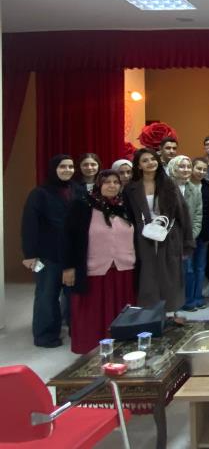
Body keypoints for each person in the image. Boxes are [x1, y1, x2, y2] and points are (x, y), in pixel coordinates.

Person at [62, 170, 135, 354]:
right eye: (107, 182)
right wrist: (68, 267)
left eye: (116, 182)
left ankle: (120, 348)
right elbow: (69, 238)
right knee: (93, 313)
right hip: (94, 270)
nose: (112, 185)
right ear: (98, 185)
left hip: (123, 268)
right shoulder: (83, 205)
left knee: (122, 312)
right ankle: (92, 351)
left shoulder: (125, 206)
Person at [124, 148, 194, 314]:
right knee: (147, 276)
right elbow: (129, 216)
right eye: (145, 160)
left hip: (169, 235)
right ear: (138, 166)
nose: (150, 163)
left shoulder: (169, 184)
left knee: (170, 276)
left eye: (153, 159)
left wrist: (187, 241)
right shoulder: (131, 188)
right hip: (143, 238)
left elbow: (182, 213)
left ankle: (170, 313)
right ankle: (150, 314)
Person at [21, 154, 79, 348]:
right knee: (47, 295)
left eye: (70, 167)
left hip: (73, 253)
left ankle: (76, 330)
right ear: (54, 169)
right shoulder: (40, 193)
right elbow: (29, 225)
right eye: (62, 167)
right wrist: (29, 254)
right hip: (48, 254)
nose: (67, 170)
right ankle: (45, 335)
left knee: (73, 296)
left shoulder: (77, 189)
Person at [167, 155, 204, 311]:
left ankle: (188, 301)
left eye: (189, 166)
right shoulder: (165, 188)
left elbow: (198, 216)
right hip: (168, 238)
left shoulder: (194, 189)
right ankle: (171, 302)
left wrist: (190, 236)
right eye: (182, 166)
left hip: (188, 239)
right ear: (174, 168)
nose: (186, 169)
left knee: (188, 270)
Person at [189, 157, 209, 309]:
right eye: (198, 168)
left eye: (204, 170)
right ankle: (188, 299)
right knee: (188, 268)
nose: (201, 172)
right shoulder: (185, 185)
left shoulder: (208, 187)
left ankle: (198, 297)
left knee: (200, 267)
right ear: (192, 168)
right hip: (188, 233)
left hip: (204, 232)